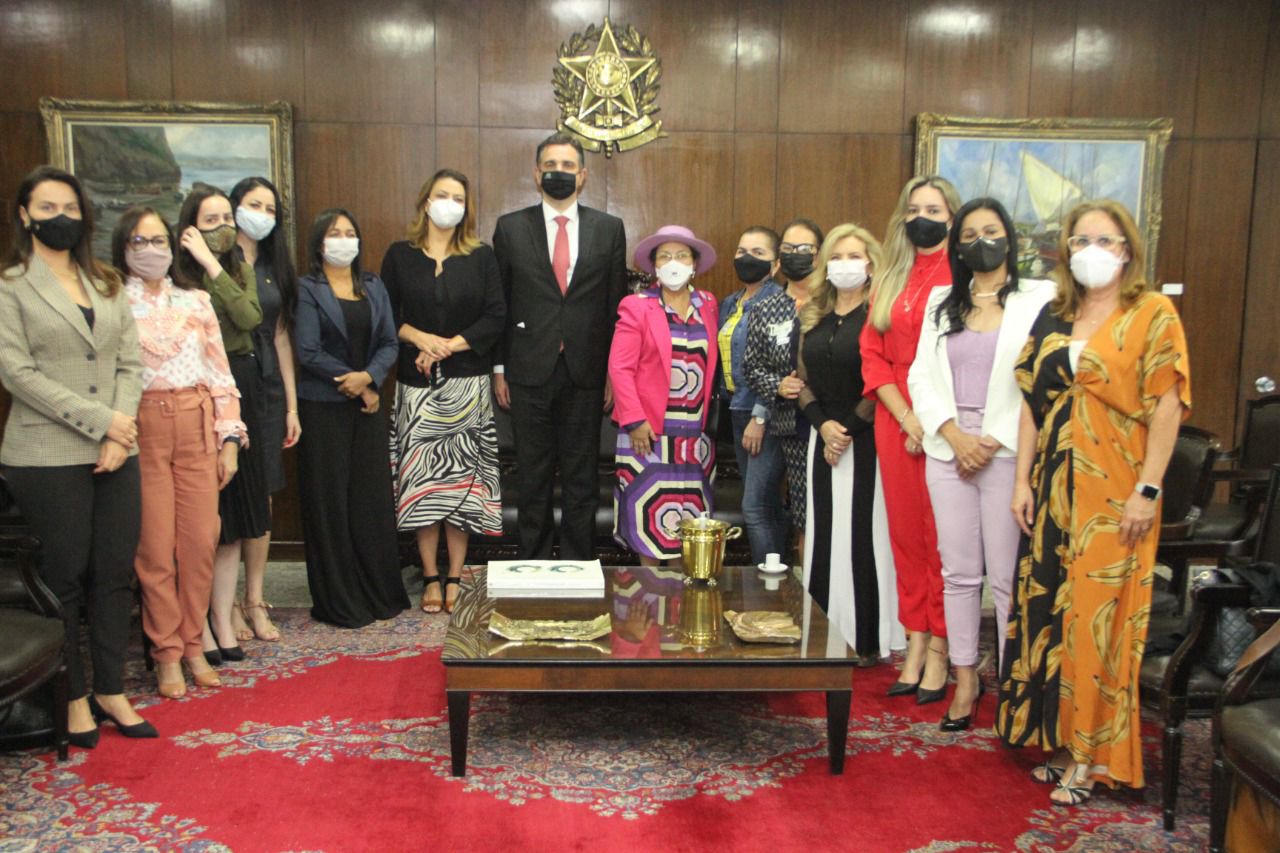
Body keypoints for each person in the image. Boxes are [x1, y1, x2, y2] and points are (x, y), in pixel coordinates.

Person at [996, 199, 1190, 806]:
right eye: (1080, 240)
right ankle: (1060, 740)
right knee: (1052, 613)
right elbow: (1031, 404)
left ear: (1127, 250)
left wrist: (1148, 490)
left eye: (1104, 240)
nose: (1090, 251)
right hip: (1054, 485)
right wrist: (1021, 481)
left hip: (1117, 486)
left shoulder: (1152, 313)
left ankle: (1093, 756)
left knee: (1098, 617)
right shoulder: (1055, 314)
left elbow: (1169, 404)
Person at [0, 166, 154, 744]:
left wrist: (118, 431)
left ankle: (111, 688)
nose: (60, 217)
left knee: (114, 573)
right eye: (47, 208)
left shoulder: (106, 281)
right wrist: (101, 421)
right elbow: (17, 373)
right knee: (64, 577)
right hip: (45, 452)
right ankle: (71, 695)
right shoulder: (11, 285)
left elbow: (130, 364)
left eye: (69, 207)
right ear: (24, 216)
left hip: (117, 449)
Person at [906, 198, 1055, 730]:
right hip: (948, 451)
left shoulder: (1039, 298)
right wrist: (952, 433)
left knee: (1008, 579)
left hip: (1007, 450)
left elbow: (1038, 376)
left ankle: (1016, 684)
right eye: (968, 235)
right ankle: (966, 678)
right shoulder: (942, 301)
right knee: (959, 574)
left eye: (990, 231)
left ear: (1009, 238)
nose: (980, 243)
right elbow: (920, 376)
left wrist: (988, 440)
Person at [116, 206, 247, 698]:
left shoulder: (196, 301)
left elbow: (220, 375)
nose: (150, 251)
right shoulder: (112, 302)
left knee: (198, 544)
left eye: (158, 241)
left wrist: (229, 441)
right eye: (139, 242)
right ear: (123, 249)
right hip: (142, 429)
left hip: (196, 427)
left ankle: (194, 643)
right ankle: (166, 652)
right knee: (154, 550)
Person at [492, 132, 628, 559]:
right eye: (551, 165)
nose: (559, 172)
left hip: (586, 372)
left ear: (583, 175)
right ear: (537, 174)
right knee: (532, 478)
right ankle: (532, 567)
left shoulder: (609, 229)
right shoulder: (510, 228)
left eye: (568, 166)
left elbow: (616, 308)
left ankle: (577, 567)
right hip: (526, 370)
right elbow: (500, 304)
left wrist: (612, 374)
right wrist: (499, 368)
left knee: (581, 478)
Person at [382, 169, 505, 613]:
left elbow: (495, 316)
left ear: (466, 209)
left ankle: (455, 574)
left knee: (460, 486)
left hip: (467, 386)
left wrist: (447, 346)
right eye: (442, 195)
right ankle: (429, 575)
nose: (449, 203)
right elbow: (385, 314)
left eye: (458, 197)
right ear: (425, 201)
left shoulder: (481, 256)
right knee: (424, 483)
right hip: (416, 389)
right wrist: (420, 339)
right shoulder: (400, 255)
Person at [860, 175, 962, 703]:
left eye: (935, 210)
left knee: (941, 538)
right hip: (894, 415)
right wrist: (904, 417)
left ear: (952, 218)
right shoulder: (891, 275)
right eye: (915, 208)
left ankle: (943, 647)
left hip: (946, 416)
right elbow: (872, 355)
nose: (923, 218)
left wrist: (929, 419)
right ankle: (915, 642)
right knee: (905, 536)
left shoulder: (963, 275)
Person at [293, 208, 408, 628]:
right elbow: (307, 350)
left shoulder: (373, 285)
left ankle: (378, 594)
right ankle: (339, 600)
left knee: (369, 500)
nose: (343, 240)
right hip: (323, 408)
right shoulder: (306, 289)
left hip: (368, 407)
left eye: (349, 232)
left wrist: (370, 378)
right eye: (334, 233)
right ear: (318, 243)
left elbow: (390, 342)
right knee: (330, 503)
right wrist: (357, 383)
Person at [174, 183, 264, 666]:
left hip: (240, 384)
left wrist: (214, 266)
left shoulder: (238, 269)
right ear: (189, 228)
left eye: (228, 218)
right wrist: (201, 265)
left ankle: (224, 621)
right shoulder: (175, 277)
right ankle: (200, 625)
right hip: (196, 389)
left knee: (238, 520)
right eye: (211, 221)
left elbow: (248, 317)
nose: (224, 228)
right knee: (207, 521)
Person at [796, 223, 889, 664]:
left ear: (871, 264)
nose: (844, 264)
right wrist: (824, 427)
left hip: (867, 441)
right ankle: (822, 636)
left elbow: (880, 383)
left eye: (854, 256)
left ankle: (865, 640)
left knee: (861, 538)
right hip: (822, 438)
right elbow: (802, 379)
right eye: (836, 257)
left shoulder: (880, 315)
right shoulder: (812, 314)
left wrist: (845, 430)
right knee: (823, 537)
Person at [609, 225, 720, 565]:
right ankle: (649, 592)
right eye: (665, 256)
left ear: (694, 264)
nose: (674, 262)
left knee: (690, 526)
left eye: (682, 255)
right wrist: (634, 420)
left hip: (695, 437)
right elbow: (620, 367)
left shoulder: (708, 304)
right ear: (654, 265)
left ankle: (684, 596)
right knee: (650, 520)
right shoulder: (637, 306)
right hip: (648, 432)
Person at [223, 176, 301, 643]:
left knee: (262, 495)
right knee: (226, 494)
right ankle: (225, 602)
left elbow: (281, 336)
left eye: (271, 209)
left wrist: (291, 405)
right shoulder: (216, 261)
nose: (263, 215)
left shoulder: (274, 266)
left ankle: (255, 598)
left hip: (269, 389)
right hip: (226, 387)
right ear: (235, 208)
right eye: (255, 205)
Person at [744, 218, 824, 561]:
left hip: (825, 422)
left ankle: (817, 589)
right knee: (767, 506)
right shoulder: (765, 308)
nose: (796, 254)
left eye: (804, 248)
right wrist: (777, 385)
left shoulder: (833, 303)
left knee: (816, 513)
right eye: (788, 249)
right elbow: (751, 367)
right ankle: (779, 582)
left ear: (820, 254)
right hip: (781, 420)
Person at [718, 226, 785, 565]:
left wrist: (760, 415)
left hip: (766, 413)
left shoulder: (779, 303)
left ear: (776, 264)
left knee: (754, 506)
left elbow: (781, 364)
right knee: (765, 503)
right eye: (742, 251)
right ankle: (780, 574)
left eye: (758, 253)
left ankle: (766, 584)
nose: (747, 259)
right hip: (736, 409)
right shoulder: (731, 303)